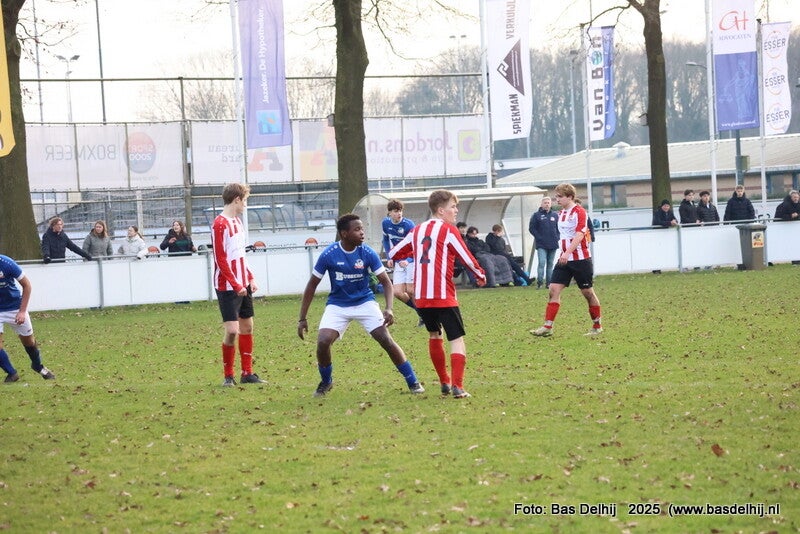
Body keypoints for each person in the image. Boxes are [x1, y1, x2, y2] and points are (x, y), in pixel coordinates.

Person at [297, 213, 424, 397]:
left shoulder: (367, 252)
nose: (362, 233)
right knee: (323, 342)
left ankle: (413, 381)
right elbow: (312, 285)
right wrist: (302, 318)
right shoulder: (329, 254)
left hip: (365, 302)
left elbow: (386, 282)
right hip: (338, 305)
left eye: (362, 229)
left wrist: (389, 308)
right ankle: (326, 381)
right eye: (357, 229)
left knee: (385, 339)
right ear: (344, 234)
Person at [388, 190, 487, 399]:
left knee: (434, 335)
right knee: (456, 339)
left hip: (422, 297)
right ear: (441, 210)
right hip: (443, 295)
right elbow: (465, 256)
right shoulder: (448, 230)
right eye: (453, 206)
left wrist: (412, 253)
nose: (456, 210)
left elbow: (394, 253)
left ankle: (444, 382)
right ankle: (458, 386)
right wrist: (480, 274)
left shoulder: (416, 230)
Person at [531, 183, 602, 338]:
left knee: (588, 293)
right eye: (556, 196)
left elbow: (580, 235)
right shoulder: (561, 213)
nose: (557, 199)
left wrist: (567, 252)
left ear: (570, 197)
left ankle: (597, 326)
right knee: (553, 289)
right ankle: (547, 326)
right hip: (564, 259)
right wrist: (563, 253)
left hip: (581, 259)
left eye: (560, 196)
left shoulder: (580, 212)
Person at [211, 183, 265, 386]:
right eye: (245, 201)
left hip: (243, 283)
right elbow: (220, 259)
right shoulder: (219, 224)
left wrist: (250, 277)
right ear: (236, 200)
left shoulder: (238, 222)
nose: (245, 205)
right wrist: (235, 284)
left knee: (247, 327)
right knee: (232, 330)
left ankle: (247, 373)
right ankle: (228, 376)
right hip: (227, 286)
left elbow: (241, 254)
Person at [0, 254, 56, 382]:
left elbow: (27, 285)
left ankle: (37, 366)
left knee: (29, 342)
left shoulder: (7, 263)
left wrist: (22, 311)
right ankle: (11, 373)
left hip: (15, 307)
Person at [381, 199, 423, 326]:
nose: (399, 213)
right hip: (399, 261)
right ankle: (422, 314)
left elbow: (417, 245)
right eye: (395, 211)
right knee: (398, 292)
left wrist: (408, 260)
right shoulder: (385, 223)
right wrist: (389, 256)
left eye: (400, 211)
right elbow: (385, 240)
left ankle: (425, 315)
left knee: (411, 291)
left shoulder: (408, 225)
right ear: (389, 213)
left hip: (411, 260)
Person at [529, 196, 560, 289]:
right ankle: (540, 283)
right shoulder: (536, 215)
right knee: (542, 262)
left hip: (553, 243)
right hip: (541, 244)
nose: (547, 204)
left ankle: (549, 283)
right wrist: (539, 237)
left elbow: (559, 228)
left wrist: (557, 237)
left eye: (548, 203)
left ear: (551, 204)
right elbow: (532, 228)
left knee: (550, 264)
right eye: (545, 203)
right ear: (541, 204)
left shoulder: (555, 215)